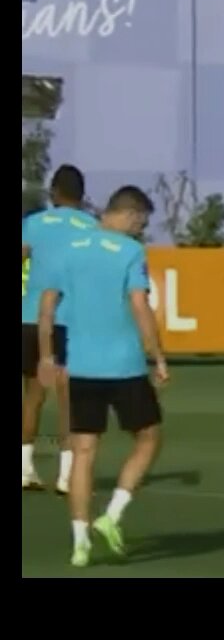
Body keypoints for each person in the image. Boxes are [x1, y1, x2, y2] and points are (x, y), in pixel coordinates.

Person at [37, 186, 167, 568]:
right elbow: (140, 305)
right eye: (141, 223)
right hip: (124, 364)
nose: (140, 230)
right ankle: (112, 513)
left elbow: (47, 306)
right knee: (148, 438)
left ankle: (80, 542)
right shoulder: (130, 252)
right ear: (130, 215)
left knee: (82, 453)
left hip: (81, 365)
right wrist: (157, 356)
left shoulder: (69, 248)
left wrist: (47, 356)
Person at [21, 164, 97, 495]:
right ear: (81, 196)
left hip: (30, 317)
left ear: (54, 193)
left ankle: (24, 468)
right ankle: (67, 475)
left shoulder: (34, 223)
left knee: (33, 396)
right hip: (69, 319)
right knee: (70, 400)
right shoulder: (92, 227)